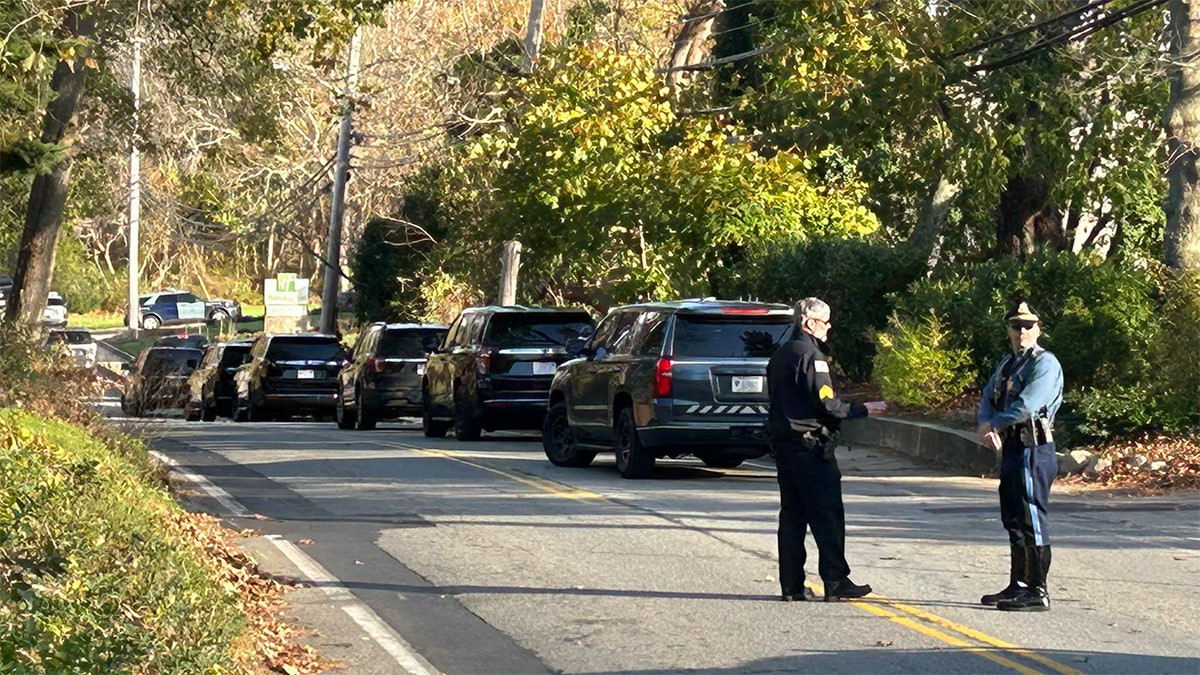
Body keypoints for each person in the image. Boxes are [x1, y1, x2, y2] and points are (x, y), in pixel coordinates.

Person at [767, 297, 887, 602]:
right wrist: (863, 408)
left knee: (792, 517)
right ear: (809, 324)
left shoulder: (780, 354)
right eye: (825, 321)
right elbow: (827, 404)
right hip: (810, 447)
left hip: (785, 446)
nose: (829, 327)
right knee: (828, 515)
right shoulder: (812, 356)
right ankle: (835, 581)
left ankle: (791, 585)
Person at [976, 301, 1063, 612]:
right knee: (1013, 517)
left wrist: (996, 423)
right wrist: (986, 424)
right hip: (1013, 448)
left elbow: (1028, 403)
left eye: (1028, 325)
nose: (1022, 331)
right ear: (1008, 330)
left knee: (1031, 518)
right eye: (1016, 326)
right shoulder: (1008, 364)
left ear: (1038, 329)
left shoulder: (1045, 364)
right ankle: (1019, 584)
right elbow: (989, 396)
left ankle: (1038, 590)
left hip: (1033, 447)